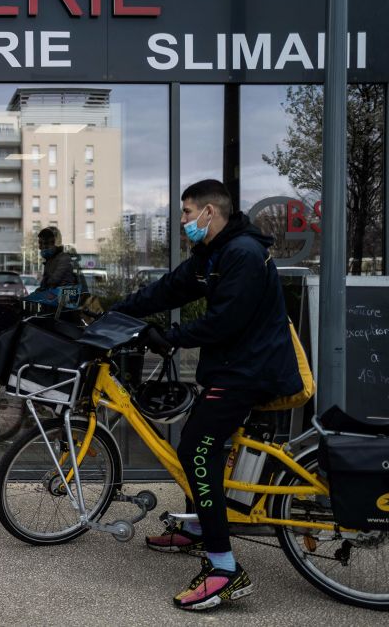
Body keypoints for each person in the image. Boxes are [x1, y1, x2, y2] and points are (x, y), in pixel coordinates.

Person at [110, 179, 302, 611]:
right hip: (233, 368)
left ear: (209, 213)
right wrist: (117, 311)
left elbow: (224, 322)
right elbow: (168, 289)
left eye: (186, 212)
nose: (182, 222)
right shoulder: (214, 254)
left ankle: (225, 569)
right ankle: (199, 527)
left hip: (250, 372)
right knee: (198, 447)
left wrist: (170, 337)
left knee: (197, 445)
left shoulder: (243, 254)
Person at [36, 226, 77, 291]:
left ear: (56, 243)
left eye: (46, 243)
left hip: (66, 295)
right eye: (40, 243)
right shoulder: (49, 261)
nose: (41, 247)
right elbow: (45, 284)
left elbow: (53, 280)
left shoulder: (64, 259)